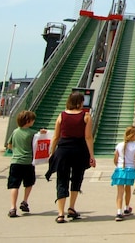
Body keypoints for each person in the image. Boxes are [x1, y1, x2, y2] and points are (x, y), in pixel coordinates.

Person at [48, 91, 95, 223]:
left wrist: (52, 153)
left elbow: (56, 136)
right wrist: (91, 155)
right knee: (76, 178)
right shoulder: (86, 116)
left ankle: (60, 213)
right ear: (80, 102)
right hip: (79, 151)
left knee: (62, 180)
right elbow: (88, 137)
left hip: (63, 151)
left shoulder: (61, 116)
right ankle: (71, 207)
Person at [6, 110, 43, 218]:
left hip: (15, 162)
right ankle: (25, 201)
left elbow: (9, 145)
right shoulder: (33, 133)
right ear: (28, 121)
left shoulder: (15, 132)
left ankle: (13, 207)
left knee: (14, 185)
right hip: (28, 162)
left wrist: (17, 151)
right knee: (29, 183)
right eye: (32, 120)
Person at [110, 125, 135, 221]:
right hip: (130, 170)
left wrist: (118, 166)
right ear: (134, 135)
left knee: (120, 192)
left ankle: (119, 212)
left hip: (120, 170)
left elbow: (115, 159)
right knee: (128, 189)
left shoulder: (119, 145)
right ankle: (127, 208)